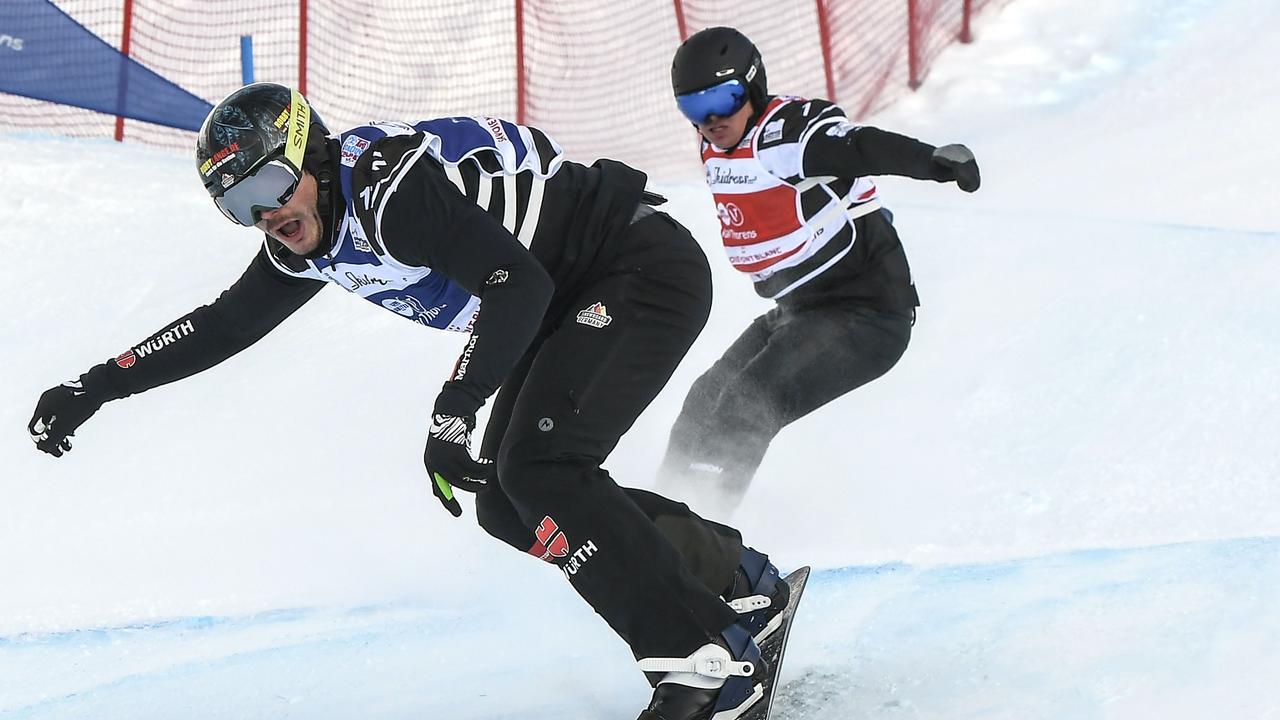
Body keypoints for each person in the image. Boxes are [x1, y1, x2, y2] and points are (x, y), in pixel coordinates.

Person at [27, 82, 788, 720]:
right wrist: (94, 384)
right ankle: (736, 582)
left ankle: (705, 660)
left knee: (543, 470)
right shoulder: (305, 234)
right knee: (510, 501)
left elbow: (513, 284)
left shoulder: (386, 188)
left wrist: (455, 408)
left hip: (634, 266)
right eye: (240, 207)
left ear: (310, 155)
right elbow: (224, 325)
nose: (267, 217)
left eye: (267, 186)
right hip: (565, 297)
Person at [661, 27, 982, 513]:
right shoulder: (717, 145)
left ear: (750, 88)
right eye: (693, 109)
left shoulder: (787, 137)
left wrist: (933, 162)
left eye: (722, 102)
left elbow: (861, 147)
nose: (710, 121)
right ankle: (652, 525)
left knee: (746, 405)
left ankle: (703, 544)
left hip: (867, 315)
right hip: (799, 311)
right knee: (705, 400)